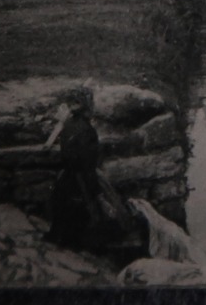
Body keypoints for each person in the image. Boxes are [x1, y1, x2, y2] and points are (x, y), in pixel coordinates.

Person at [46, 88, 146, 260]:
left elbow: (69, 155)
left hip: (66, 177)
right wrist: (96, 191)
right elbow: (87, 165)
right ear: (88, 108)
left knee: (66, 206)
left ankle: (64, 237)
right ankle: (86, 245)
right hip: (81, 178)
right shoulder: (87, 131)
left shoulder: (68, 125)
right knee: (95, 208)